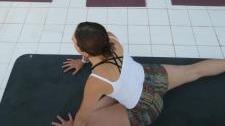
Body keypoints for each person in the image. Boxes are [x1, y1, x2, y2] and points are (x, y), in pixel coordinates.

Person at [52, 22, 225, 126]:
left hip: (146, 108)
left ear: (85, 51)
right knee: (194, 71)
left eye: (74, 41)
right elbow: (92, 52)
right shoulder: (110, 39)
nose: (72, 39)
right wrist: (82, 61)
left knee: (86, 120)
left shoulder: (96, 80)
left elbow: (82, 116)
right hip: (151, 76)